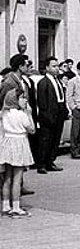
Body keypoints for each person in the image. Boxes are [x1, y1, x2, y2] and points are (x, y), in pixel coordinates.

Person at [0, 89, 35, 217]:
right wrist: (29, 113)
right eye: (22, 98)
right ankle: (16, 206)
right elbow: (32, 130)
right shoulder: (21, 115)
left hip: (7, 144)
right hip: (19, 143)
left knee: (7, 177)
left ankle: (5, 205)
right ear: (15, 100)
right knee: (17, 178)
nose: (25, 100)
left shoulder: (4, 114)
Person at [36, 57, 68, 174]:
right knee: (45, 140)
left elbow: (61, 97)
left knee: (55, 140)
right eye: (53, 66)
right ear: (47, 68)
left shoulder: (58, 81)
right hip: (49, 115)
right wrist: (46, 117)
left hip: (59, 113)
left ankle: (50, 161)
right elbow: (42, 103)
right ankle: (42, 164)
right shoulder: (43, 82)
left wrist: (64, 111)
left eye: (57, 66)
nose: (56, 69)